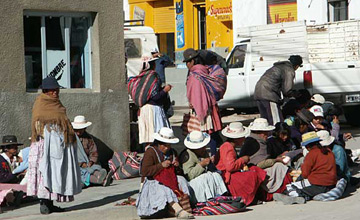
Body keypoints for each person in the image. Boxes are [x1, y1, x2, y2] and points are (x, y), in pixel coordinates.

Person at [27, 77, 82, 214]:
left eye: (57, 89)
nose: (55, 92)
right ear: (46, 90)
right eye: (53, 90)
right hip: (45, 145)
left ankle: (50, 203)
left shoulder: (57, 104)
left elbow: (62, 121)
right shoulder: (41, 104)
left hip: (57, 144)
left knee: (55, 174)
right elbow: (39, 125)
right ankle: (44, 203)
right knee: (45, 173)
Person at [136, 127, 194, 219]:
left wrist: (177, 166)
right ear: (159, 143)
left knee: (182, 180)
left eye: (169, 145)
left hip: (169, 179)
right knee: (165, 185)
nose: (167, 148)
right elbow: (144, 171)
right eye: (165, 145)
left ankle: (184, 206)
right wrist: (161, 165)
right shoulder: (150, 152)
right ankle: (178, 210)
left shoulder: (172, 152)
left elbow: (177, 173)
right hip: (152, 183)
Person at [273, 131, 337, 204]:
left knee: (290, 187)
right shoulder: (329, 151)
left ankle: (299, 196)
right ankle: (303, 195)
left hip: (318, 184)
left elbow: (305, 174)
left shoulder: (311, 154)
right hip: (331, 183)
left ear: (307, 146)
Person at [183, 48, 223, 158]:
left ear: (192, 61)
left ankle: (202, 158)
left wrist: (194, 103)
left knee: (199, 134)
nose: (187, 65)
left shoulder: (194, 75)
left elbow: (195, 93)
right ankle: (214, 155)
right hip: (210, 106)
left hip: (199, 109)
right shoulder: (206, 71)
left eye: (187, 62)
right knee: (212, 133)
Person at [215, 122, 266, 205]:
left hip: (229, 173)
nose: (244, 139)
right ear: (236, 138)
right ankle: (248, 197)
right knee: (251, 175)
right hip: (226, 176)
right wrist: (242, 160)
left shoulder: (229, 146)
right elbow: (230, 167)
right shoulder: (227, 147)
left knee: (255, 169)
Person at [134, 55, 172, 148]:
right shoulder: (154, 77)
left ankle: (148, 154)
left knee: (148, 136)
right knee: (157, 135)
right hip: (153, 110)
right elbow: (155, 97)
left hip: (144, 110)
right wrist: (165, 90)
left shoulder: (140, 77)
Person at [254, 55, 303, 125]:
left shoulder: (277, 67)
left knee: (265, 122)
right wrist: (295, 94)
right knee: (276, 122)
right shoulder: (289, 69)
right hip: (269, 94)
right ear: (297, 66)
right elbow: (287, 90)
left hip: (258, 92)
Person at [180, 131, 227, 203]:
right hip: (193, 185)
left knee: (215, 175)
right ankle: (208, 199)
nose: (204, 148)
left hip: (204, 182)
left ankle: (221, 195)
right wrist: (201, 165)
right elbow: (189, 176)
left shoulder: (203, 152)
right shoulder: (187, 155)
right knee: (205, 177)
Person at [72, 115, 112, 187]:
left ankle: (100, 175)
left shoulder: (88, 139)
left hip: (88, 163)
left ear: (85, 128)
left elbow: (94, 152)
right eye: (76, 130)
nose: (78, 132)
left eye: (80, 130)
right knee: (82, 173)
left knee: (94, 168)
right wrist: (80, 164)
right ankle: (101, 181)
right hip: (76, 165)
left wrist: (91, 162)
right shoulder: (70, 139)